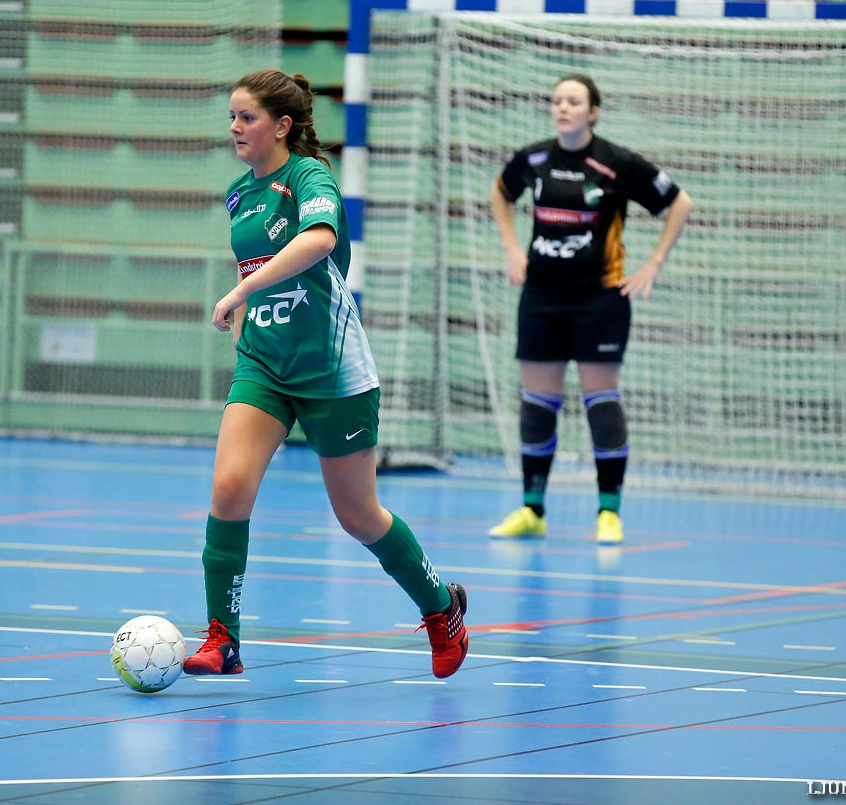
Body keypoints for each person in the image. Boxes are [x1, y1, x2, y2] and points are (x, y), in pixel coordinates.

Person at [184, 69, 468, 679]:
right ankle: (223, 639)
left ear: (281, 126)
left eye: (247, 117)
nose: (234, 127)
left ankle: (441, 608)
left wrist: (242, 289)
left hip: (333, 371)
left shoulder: (310, 178)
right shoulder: (239, 194)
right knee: (230, 489)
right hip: (264, 363)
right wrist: (246, 312)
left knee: (358, 514)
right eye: (231, 117)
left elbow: (316, 241)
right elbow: (258, 264)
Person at [487, 73, 692, 545]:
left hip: (599, 300)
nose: (563, 107)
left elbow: (680, 203)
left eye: (573, 101)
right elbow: (500, 193)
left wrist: (652, 265)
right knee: (538, 405)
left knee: (601, 402)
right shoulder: (534, 158)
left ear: (592, 112)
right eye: (557, 100)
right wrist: (512, 249)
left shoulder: (616, 162)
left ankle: (609, 512)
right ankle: (532, 509)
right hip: (540, 297)